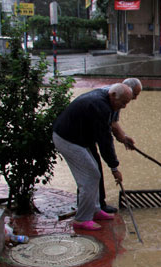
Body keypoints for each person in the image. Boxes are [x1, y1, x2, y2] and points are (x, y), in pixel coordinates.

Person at [53, 83, 133, 231]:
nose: (124, 106)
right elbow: (104, 141)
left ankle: (95, 210)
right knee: (89, 177)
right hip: (67, 139)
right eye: (123, 103)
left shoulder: (106, 99)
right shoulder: (100, 107)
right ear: (113, 95)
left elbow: (107, 134)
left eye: (127, 103)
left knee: (94, 173)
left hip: (79, 138)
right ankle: (82, 219)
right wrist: (114, 167)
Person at [91, 78, 143, 213]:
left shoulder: (118, 98)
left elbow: (113, 123)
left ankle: (99, 204)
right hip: (82, 137)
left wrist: (124, 138)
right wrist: (114, 167)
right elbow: (106, 138)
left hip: (91, 134)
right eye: (135, 95)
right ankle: (93, 207)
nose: (135, 99)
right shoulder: (110, 100)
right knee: (92, 170)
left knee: (95, 169)